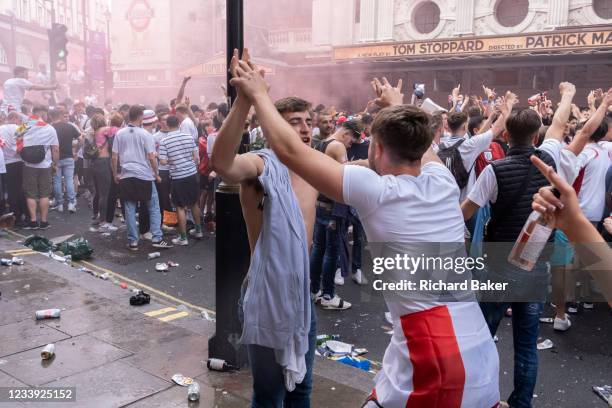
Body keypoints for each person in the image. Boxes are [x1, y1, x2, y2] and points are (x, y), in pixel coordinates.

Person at [230, 52, 500, 407]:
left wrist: (259, 94)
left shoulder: (376, 190)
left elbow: (290, 151)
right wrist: (398, 106)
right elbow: (422, 146)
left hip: (435, 354)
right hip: (476, 345)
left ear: (376, 147)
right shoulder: (442, 178)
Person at [461, 82, 583, 407]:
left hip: (497, 266)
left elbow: (465, 213)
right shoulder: (550, 165)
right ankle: (521, 404)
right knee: (527, 346)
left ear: (506, 136)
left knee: (482, 338)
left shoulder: (494, 171)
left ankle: (477, 397)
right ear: (536, 135)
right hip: (534, 268)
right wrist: (567, 95)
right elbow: (558, 125)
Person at [211, 48, 318, 407]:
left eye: (307, 121)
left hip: (303, 297)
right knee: (269, 396)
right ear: (272, 126)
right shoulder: (262, 166)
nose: (304, 129)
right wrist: (244, 101)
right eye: (293, 122)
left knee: (301, 389)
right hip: (269, 296)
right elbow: (223, 164)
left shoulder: (316, 167)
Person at [312, 118, 363, 309]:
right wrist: (361, 163)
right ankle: (328, 296)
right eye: (352, 140)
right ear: (346, 133)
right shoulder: (338, 146)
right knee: (331, 253)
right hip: (333, 208)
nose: (351, 144)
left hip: (320, 204)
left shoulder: (321, 143)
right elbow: (346, 176)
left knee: (318, 249)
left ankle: (314, 290)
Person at [111, 105, 172, 251]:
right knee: (154, 207)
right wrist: (156, 174)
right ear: (140, 117)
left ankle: (133, 241)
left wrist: (115, 174)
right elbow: (151, 157)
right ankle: (157, 238)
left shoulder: (120, 133)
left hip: (126, 175)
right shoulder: (146, 135)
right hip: (144, 176)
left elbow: (114, 157)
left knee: (130, 208)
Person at [158, 115, 203, 245]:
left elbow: (163, 161)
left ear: (167, 124)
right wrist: (188, 163)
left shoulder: (164, 141)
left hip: (178, 177)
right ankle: (198, 230)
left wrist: (173, 160)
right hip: (192, 174)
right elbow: (196, 157)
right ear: (179, 124)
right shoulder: (189, 137)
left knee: (180, 206)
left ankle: (183, 238)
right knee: (194, 203)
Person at [20, 105, 59, 230]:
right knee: (44, 194)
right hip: (45, 165)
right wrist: (55, 164)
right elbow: (56, 149)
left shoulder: (25, 125)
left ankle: (32, 221)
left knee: (30, 194)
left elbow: (17, 138)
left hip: (28, 164)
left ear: (34, 113)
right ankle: (43, 222)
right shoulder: (50, 128)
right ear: (44, 114)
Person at [90, 114, 118, 232]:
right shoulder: (106, 130)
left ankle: (100, 218)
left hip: (95, 162)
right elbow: (118, 131)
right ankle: (104, 222)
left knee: (100, 192)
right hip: (104, 162)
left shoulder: (93, 132)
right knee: (104, 194)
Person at [49, 108, 80, 213]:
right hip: (69, 157)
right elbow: (81, 138)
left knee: (57, 181)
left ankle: (60, 204)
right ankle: (71, 203)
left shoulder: (51, 128)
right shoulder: (69, 127)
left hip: (55, 158)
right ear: (60, 115)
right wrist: (76, 151)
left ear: (51, 117)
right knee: (69, 180)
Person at [1, 111, 27, 227]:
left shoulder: (0, 129)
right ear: (15, 118)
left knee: (11, 190)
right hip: (18, 161)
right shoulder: (19, 128)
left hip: (5, 163)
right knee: (21, 189)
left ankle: (14, 215)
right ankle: (23, 214)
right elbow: (23, 146)